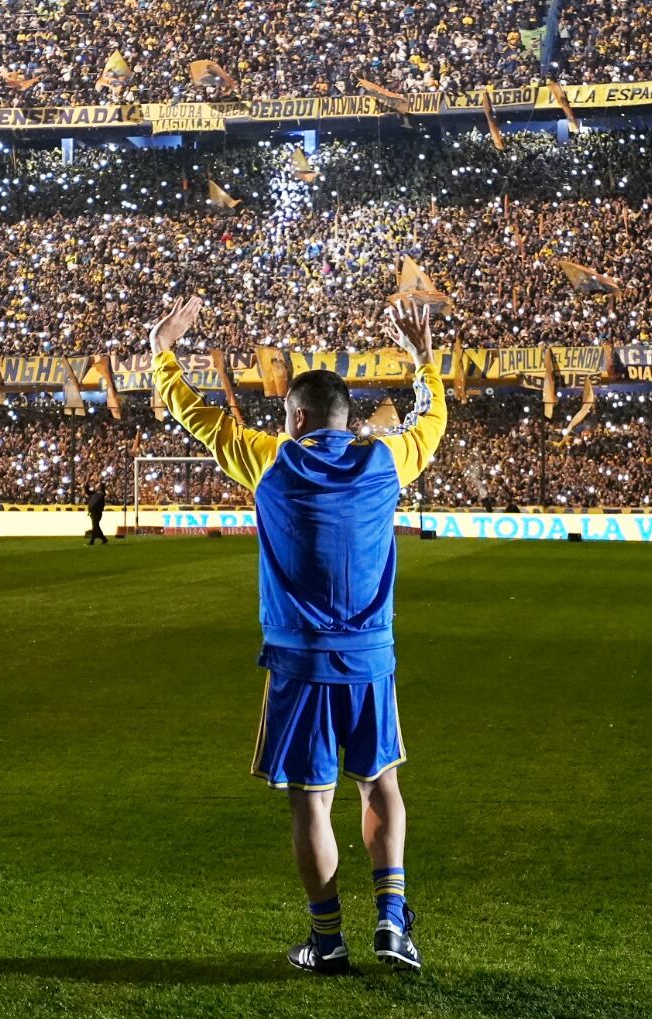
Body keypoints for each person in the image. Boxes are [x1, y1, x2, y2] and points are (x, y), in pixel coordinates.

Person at [149, 294, 446, 976]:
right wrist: (423, 358)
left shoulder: (269, 459)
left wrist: (162, 352)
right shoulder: (386, 463)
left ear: (299, 417)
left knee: (313, 801)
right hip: (370, 657)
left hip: (300, 662)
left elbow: (196, 417)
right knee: (380, 786)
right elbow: (434, 421)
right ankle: (393, 923)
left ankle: (328, 938)